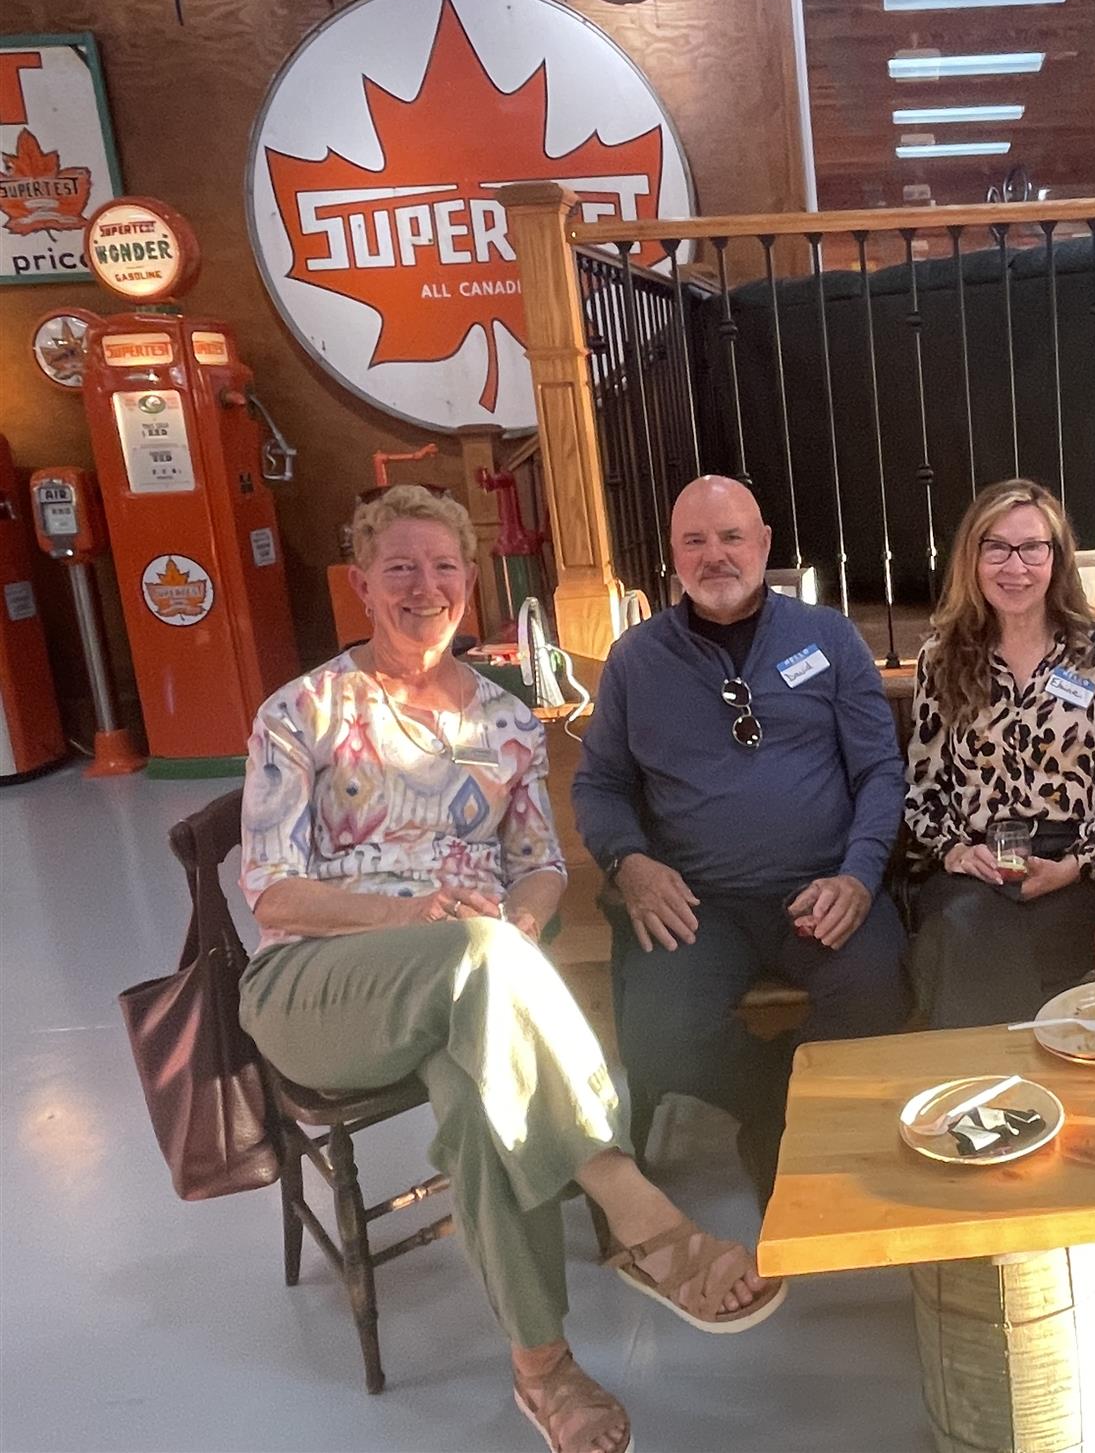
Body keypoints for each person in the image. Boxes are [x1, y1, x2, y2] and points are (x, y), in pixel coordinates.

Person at [239, 485, 780, 1453]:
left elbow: (537, 865)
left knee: (485, 1085)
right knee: (480, 963)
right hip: (318, 986)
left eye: (444, 566)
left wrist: (520, 922)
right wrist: (412, 919)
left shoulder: (504, 718)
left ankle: (543, 1371)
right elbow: (273, 894)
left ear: (471, 578)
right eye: (400, 568)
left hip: (469, 988)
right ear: (360, 583)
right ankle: (638, 1212)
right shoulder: (302, 711)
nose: (426, 586)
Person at [572, 475, 909, 1207]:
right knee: (658, 1033)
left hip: (823, 888)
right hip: (699, 902)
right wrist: (629, 862)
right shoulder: (635, 660)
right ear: (674, 556)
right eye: (695, 540)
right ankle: (777, 1111)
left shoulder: (828, 638)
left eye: (731, 537)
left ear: (763, 543)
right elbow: (599, 785)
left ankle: (777, 1121)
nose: (715, 555)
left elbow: (881, 771)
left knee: (879, 997)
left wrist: (858, 876)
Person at [904, 479, 1095, 1027]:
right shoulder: (941, 658)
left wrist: (1074, 865)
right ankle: (1019, 1073)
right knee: (964, 922)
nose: (1014, 566)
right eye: (996, 547)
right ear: (972, 558)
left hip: (1076, 864)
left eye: (1032, 548)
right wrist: (954, 851)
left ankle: (984, 1075)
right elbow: (925, 786)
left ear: (1056, 559)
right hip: (975, 863)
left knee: (963, 941)